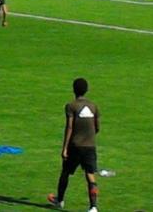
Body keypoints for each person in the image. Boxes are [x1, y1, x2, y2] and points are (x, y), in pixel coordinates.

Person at [48, 78, 101, 212]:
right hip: (90, 146)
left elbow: (69, 127)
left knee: (65, 172)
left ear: (73, 90)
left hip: (75, 146)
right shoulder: (93, 106)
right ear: (87, 90)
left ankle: (60, 200)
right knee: (90, 175)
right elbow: (97, 127)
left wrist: (65, 148)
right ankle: (93, 207)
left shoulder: (71, 106)